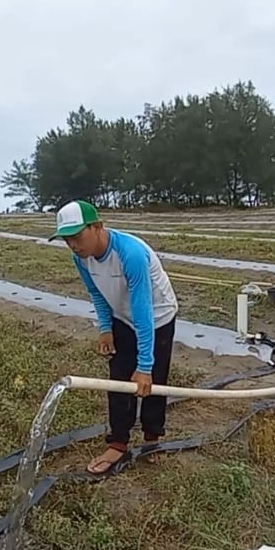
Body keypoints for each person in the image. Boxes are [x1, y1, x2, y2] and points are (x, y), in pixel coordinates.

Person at [49, 200, 179, 475]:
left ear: (97, 227)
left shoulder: (129, 253)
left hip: (157, 316)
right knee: (119, 378)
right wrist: (105, 328)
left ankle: (153, 437)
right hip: (122, 316)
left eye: (77, 236)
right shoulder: (81, 257)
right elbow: (97, 293)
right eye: (66, 239)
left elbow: (143, 309)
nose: (73, 245)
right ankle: (118, 442)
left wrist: (144, 366)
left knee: (153, 378)